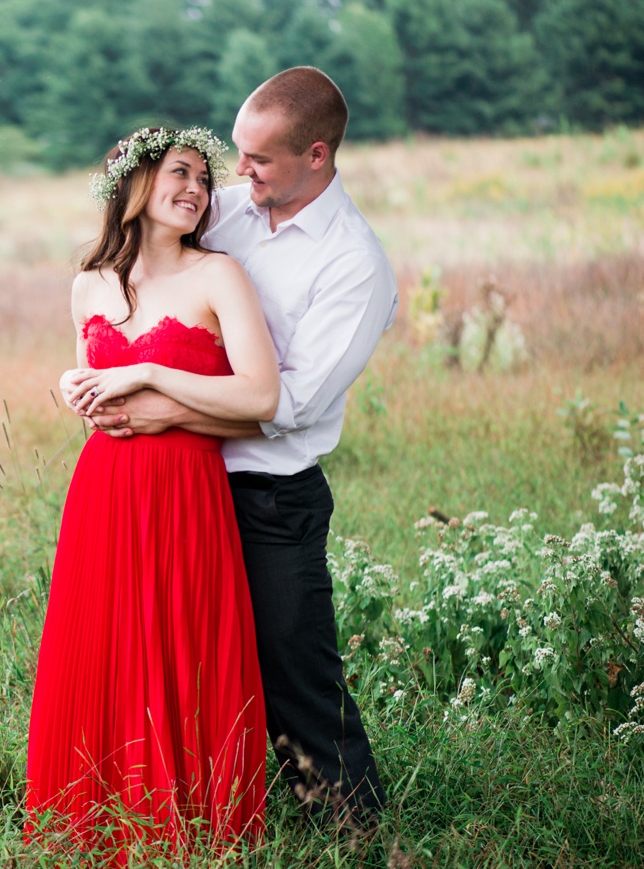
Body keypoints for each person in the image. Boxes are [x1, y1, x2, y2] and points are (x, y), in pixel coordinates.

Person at [81, 67, 398, 828]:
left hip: (267, 495)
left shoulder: (354, 265)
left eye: (258, 159)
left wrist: (158, 408)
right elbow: (146, 253)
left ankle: (350, 827)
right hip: (172, 486)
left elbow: (288, 404)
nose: (236, 173)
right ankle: (173, 803)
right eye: (236, 153)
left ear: (316, 156)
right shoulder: (228, 211)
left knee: (292, 670)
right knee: (170, 657)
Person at [26, 125, 279, 857]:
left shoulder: (218, 276)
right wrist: (78, 391)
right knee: (105, 645)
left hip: (186, 488)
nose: (197, 190)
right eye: (181, 172)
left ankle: (189, 819)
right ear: (131, 183)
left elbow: (260, 395)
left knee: (177, 642)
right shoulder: (88, 286)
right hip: (104, 488)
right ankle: (99, 814)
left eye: (204, 178)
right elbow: (93, 396)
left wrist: (151, 375)